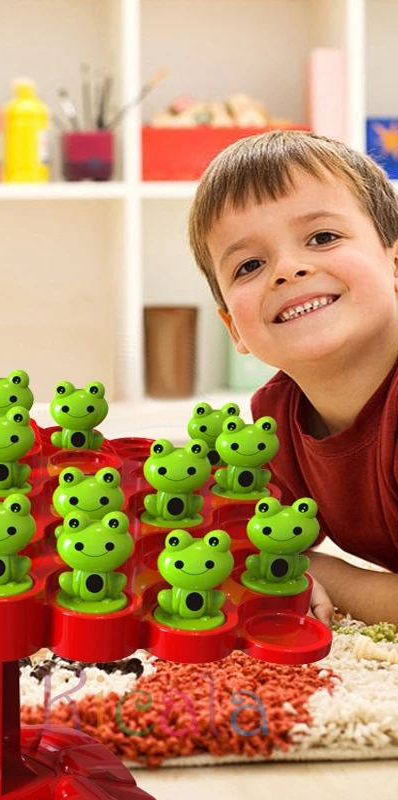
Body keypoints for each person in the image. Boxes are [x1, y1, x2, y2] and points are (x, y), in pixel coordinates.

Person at [189, 129, 398, 627]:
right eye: (250, 265)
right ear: (233, 328)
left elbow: (301, 560)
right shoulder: (276, 418)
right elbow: (255, 541)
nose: (287, 269)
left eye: (322, 237)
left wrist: (326, 571)